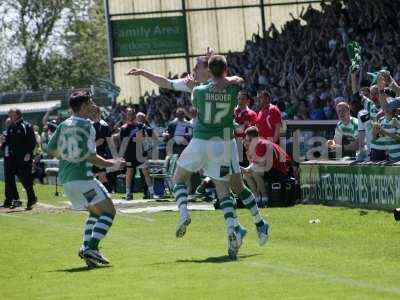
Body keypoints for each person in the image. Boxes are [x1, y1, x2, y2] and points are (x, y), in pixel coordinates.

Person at [127, 52, 269, 249]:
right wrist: (144, 72)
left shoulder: (201, 89)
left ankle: (256, 224)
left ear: (207, 69)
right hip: (214, 141)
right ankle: (235, 228)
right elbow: (166, 82)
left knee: (236, 187)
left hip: (224, 141)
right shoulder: (198, 85)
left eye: (198, 66)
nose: (194, 70)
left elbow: (230, 81)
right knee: (223, 186)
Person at [47, 90, 125, 267]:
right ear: (82, 107)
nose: (93, 105)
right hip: (83, 179)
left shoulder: (64, 124)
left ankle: (87, 248)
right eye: (90, 102)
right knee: (109, 212)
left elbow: (51, 151)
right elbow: (91, 157)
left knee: (95, 212)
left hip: (67, 181)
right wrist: (113, 164)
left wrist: (68, 154)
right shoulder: (87, 126)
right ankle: (91, 247)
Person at [242, 126, 291, 207]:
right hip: (273, 168)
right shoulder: (258, 143)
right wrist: (246, 169)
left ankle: (265, 198)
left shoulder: (261, 144)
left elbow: (263, 162)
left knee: (256, 173)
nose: (246, 139)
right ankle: (257, 198)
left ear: (250, 137)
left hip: (280, 170)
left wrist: (248, 169)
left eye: (246, 137)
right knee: (246, 175)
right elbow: (256, 163)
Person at [1, 108, 37, 210]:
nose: (9, 116)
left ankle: (31, 198)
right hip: (12, 158)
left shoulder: (26, 125)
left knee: (25, 178)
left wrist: (29, 153)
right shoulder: (11, 126)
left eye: (11, 114)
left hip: (24, 157)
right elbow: (8, 141)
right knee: (9, 178)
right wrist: (3, 140)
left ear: (17, 115)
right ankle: (13, 199)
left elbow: (32, 141)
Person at [119, 108, 144, 200]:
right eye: (129, 114)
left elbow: (141, 139)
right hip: (129, 153)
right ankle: (128, 192)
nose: (131, 116)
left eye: (132, 114)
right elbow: (123, 142)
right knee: (129, 172)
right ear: (126, 115)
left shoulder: (139, 126)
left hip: (139, 152)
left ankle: (151, 192)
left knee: (145, 171)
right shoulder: (124, 128)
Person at [91, 106, 112, 192]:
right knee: (89, 178)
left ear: (99, 113)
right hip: (91, 154)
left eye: (95, 112)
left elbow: (101, 140)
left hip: (99, 153)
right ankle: (92, 199)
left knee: (102, 176)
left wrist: (90, 147)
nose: (93, 114)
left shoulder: (103, 125)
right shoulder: (90, 124)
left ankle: (107, 195)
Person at [0, 118, 20, 208]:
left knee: (10, 180)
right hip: (7, 157)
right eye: (6, 123)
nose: (7, 124)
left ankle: (11, 200)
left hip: (14, 158)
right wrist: (2, 142)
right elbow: (3, 147)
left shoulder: (15, 132)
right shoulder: (5, 133)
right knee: (8, 180)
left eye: (9, 123)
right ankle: (12, 199)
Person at [234, 91, 257, 166]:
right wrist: (243, 126)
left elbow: (253, 132)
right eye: (239, 99)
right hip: (233, 143)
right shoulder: (232, 111)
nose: (240, 101)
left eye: (243, 99)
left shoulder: (252, 114)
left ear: (248, 101)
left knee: (244, 165)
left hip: (245, 145)